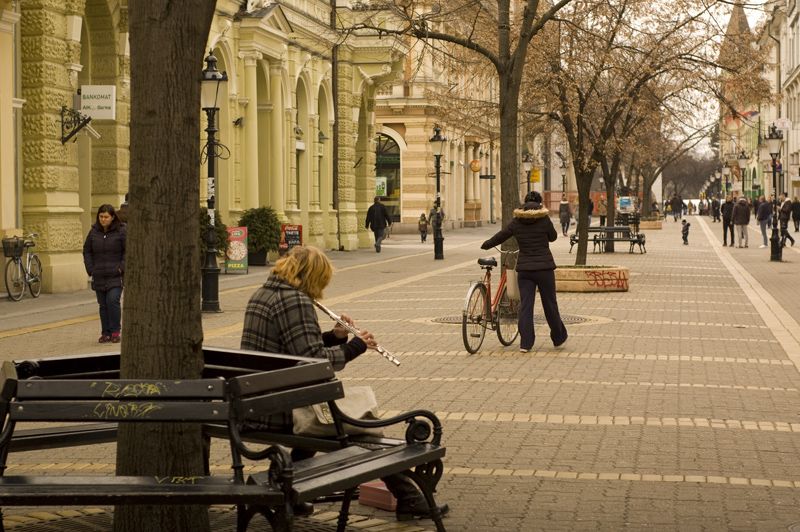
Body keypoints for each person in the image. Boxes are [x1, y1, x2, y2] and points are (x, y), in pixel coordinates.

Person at [240, 245, 449, 521]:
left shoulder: (264, 293)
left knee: (326, 424)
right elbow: (313, 363)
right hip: (278, 408)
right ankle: (408, 498)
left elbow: (291, 346)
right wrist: (355, 348)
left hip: (258, 400)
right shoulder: (295, 301)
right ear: (313, 276)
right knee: (360, 430)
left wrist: (335, 336)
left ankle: (286, 490)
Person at [481, 191, 567, 353]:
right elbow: (553, 237)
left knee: (526, 306)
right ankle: (558, 337)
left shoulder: (517, 221)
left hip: (525, 269)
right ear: (539, 203)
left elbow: (502, 235)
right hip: (544, 269)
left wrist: (487, 244)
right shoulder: (544, 219)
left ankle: (525, 344)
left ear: (524, 203)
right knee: (550, 304)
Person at [82, 204, 126, 343]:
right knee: (103, 305)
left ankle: (115, 331)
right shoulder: (94, 232)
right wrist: (90, 268)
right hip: (99, 274)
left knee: (112, 301)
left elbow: (128, 251)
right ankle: (105, 332)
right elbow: (87, 251)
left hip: (115, 275)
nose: (103, 219)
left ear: (112, 217)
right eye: (101, 216)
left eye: (106, 217)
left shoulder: (121, 231)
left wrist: (121, 267)